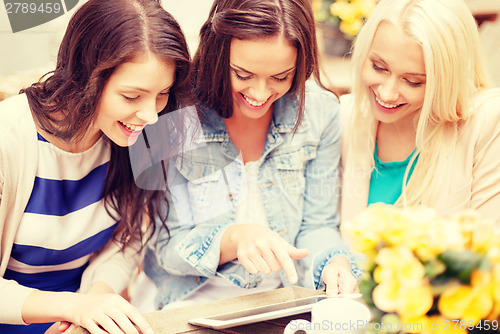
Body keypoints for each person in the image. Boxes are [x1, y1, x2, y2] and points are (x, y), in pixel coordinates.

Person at [136, 0, 360, 312]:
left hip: (281, 302)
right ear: (217, 53)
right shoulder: (173, 111)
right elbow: (167, 250)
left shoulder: (321, 112)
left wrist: (333, 262)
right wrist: (234, 239)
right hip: (185, 305)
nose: (259, 93)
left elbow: (317, 224)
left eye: (281, 77)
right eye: (243, 74)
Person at [0, 0, 190, 333]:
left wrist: (96, 304)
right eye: (132, 97)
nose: (151, 116)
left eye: (162, 94)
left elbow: (125, 244)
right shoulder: (9, 139)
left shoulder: (131, 136)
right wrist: (73, 307)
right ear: (84, 75)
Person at [340, 0, 500, 224]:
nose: (387, 94)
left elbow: (488, 244)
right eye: (378, 67)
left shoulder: (486, 121)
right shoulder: (346, 116)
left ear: (447, 80)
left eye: (413, 82)